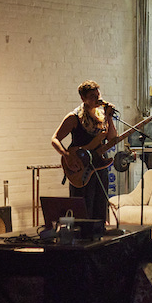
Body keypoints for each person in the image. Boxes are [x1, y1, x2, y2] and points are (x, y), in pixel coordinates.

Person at [51, 79, 118, 222]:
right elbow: (55, 139)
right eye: (92, 96)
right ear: (83, 98)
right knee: (83, 210)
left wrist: (109, 118)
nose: (97, 99)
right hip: (81, 168)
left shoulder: (101, 117)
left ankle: (99, 233)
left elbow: (112, 138)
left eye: (98, 95)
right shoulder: (74, 117)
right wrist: (66, 155)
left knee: (100, 208)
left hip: (99, 167)